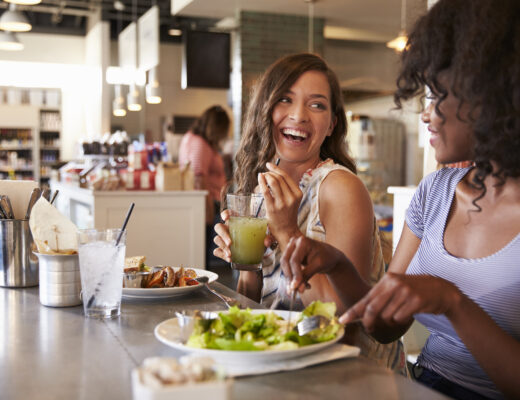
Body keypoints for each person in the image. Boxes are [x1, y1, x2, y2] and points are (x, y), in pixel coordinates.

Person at [280, 1, 520, 399]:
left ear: (490, 94)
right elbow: (383, 325)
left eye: (436, 94)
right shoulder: (437, 190)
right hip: (422, 385)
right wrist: (337, 265)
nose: (424, 115)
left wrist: (452, 302)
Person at [213, 53, 406, 373]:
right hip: (286, 366)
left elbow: (340, 318)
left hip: (351, 374)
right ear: (266, 110)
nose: (299, 115)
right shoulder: (261, 190)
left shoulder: (340, 188)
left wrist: (288, 232)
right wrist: (246, 263)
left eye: (316, 105)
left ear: (331, 124)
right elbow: (256, 305)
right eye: (285, 99)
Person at [178, 105, 230, 265]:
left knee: (204, 252)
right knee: (204, 254)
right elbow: (200, 178)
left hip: (207, 203)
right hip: (207, 204)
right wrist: (207, 211)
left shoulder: (193, 139)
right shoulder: (199, 143)